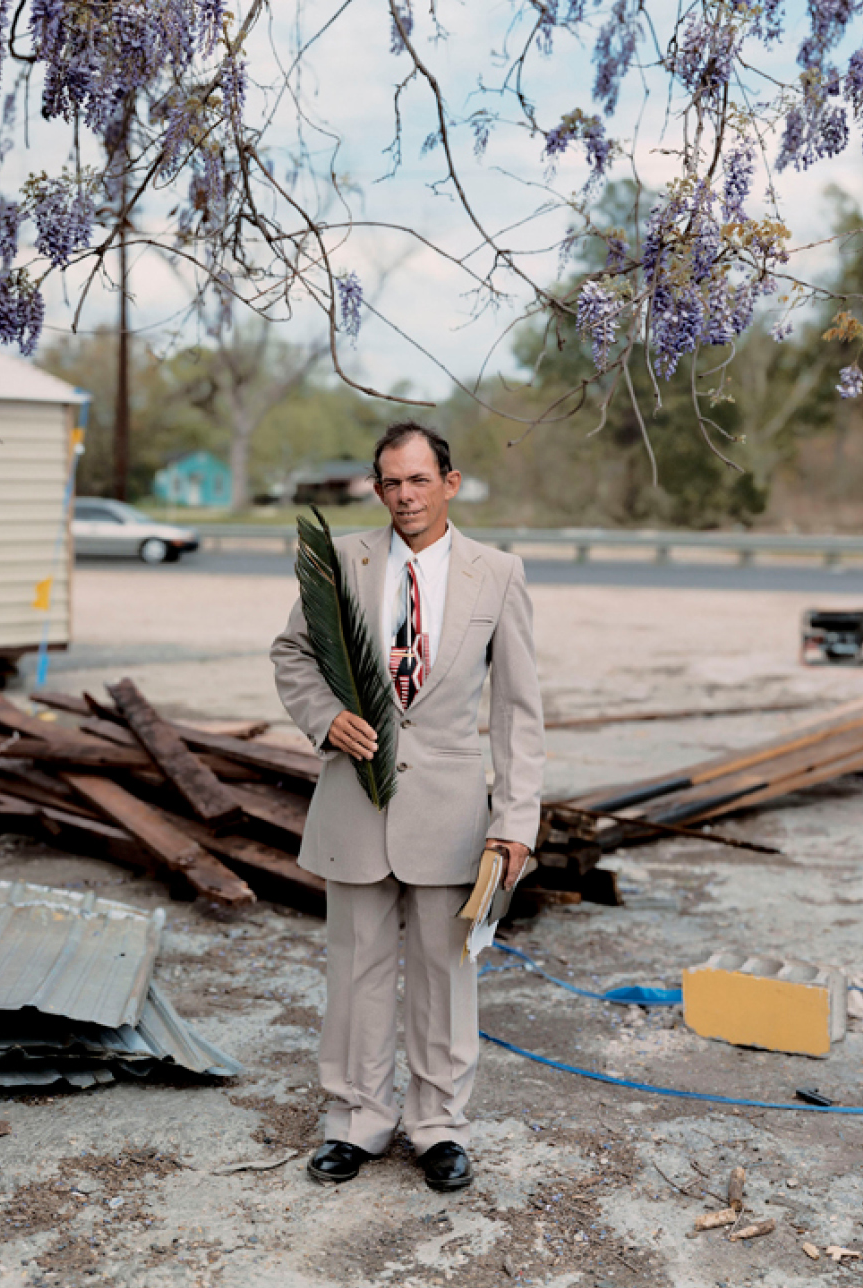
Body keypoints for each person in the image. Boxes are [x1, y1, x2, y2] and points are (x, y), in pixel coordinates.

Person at [269, 423, 544, 1194]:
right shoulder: (342, 563)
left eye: (419, 481)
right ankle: (354, 1121)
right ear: (376, 486)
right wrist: (323, 716)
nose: (405, 497)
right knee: (354, 969)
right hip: (354, 803)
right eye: (391, 482)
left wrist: (516, 821)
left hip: (452, 811)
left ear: (449, 483)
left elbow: (519, 709)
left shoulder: (498, 574)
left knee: (444, 975)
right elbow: (291, 653)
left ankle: (440, 1128)